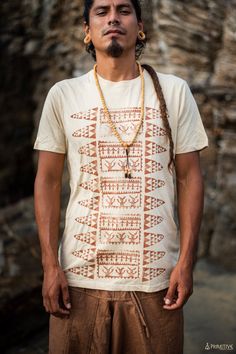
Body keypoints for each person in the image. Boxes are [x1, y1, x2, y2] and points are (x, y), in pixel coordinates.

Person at [34, 0, 208, 353]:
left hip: (156, 287)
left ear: (140, 26)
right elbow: (48, 181)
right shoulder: (63, 95)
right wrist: (50, 265)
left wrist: (185, 264)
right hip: (79, 283)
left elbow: (190, 178)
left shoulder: (174, 91)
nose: (113, 17)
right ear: (87, 29)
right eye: (101, 10)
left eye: (123, 9)